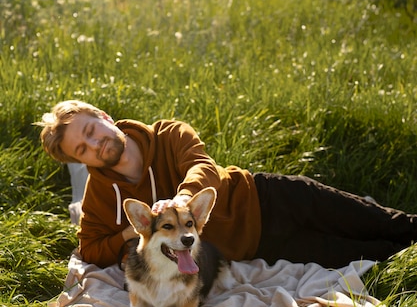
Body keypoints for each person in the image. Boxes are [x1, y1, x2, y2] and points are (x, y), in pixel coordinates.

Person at [39, 100, 417, 270]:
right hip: (257, 246)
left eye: (91, 131)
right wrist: (133, 230)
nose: (95, 145)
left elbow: (203, 166)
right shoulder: (101, 195)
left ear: (104, 117)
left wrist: (183, 200)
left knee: (385, 221)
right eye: (83, 150)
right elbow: (89, 248)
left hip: (266, 197)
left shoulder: (168, 134)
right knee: (372, 253)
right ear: (81, 162)